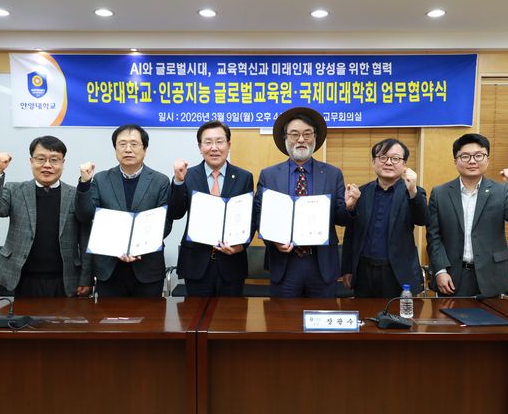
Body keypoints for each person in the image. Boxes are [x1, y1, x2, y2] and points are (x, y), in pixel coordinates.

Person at [254, 107, 360, 298]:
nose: (301, 140)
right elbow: (259, 216)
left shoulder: (332, 174)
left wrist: (350, 207)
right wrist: (274, 240)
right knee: (282, 316)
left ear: (315, 138)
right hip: (284, 263)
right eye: (294, 134)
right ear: (285, 138)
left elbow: (341, 218)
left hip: (321, 265)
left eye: (307, 134)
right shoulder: (269, 175)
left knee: (322, 317)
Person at [0, 136, 92, 297]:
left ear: (63, 163)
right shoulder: (15, 190)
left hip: (64, 280)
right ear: (31, 161)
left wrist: (86, 278)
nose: (47, 165)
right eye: (41, 159)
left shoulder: (75, 195)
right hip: (21, 279)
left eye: (54, 160)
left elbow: (85, 238)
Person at [426, 133, 508, 297]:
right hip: (452, 276)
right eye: (465, 156)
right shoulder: (440, 193)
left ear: (487, 159)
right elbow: (434, 236)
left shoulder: (501, 190)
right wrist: (440, 270)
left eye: (478, 155)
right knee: (448, 314)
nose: (472, 161)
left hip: (493, 275)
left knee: (494, 315)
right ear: (455, 161)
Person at [76, 124, 171, 297]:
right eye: (122, 144)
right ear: (115, 149)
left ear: (145, 149)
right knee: (109, 315)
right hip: (109, 269)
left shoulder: (160, 181)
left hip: (147, 268)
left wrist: (139, 247)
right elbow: (85, 215)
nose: (128, 149)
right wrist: (84, 183)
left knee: (151, 315)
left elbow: (165, 223)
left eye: (134, 144)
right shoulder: (101, 179)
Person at [168, 120, 254, 296]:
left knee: (229, 312)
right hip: (196, 263)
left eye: (219, 141)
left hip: (232, 263)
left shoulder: (244, 177)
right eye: (208, 142)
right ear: (200, 147)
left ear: (228, 145)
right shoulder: (187, 175)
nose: (214, 148)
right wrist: (178, 181)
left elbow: (250, 217)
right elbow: (176, 213)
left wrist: (241, 246)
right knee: (195, 313)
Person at [341, 138, 428, 298]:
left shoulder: (413, 192)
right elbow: (350, 234)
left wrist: (413, 191)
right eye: (383, 157)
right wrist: (347, 268)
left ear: (404, 164)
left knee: (398, 314)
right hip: (364, 272)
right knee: (364, 313)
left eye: (395, 158)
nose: (388, 162)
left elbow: (422, 220)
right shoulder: (361, 193)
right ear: (373, 162)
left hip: (397, 273)